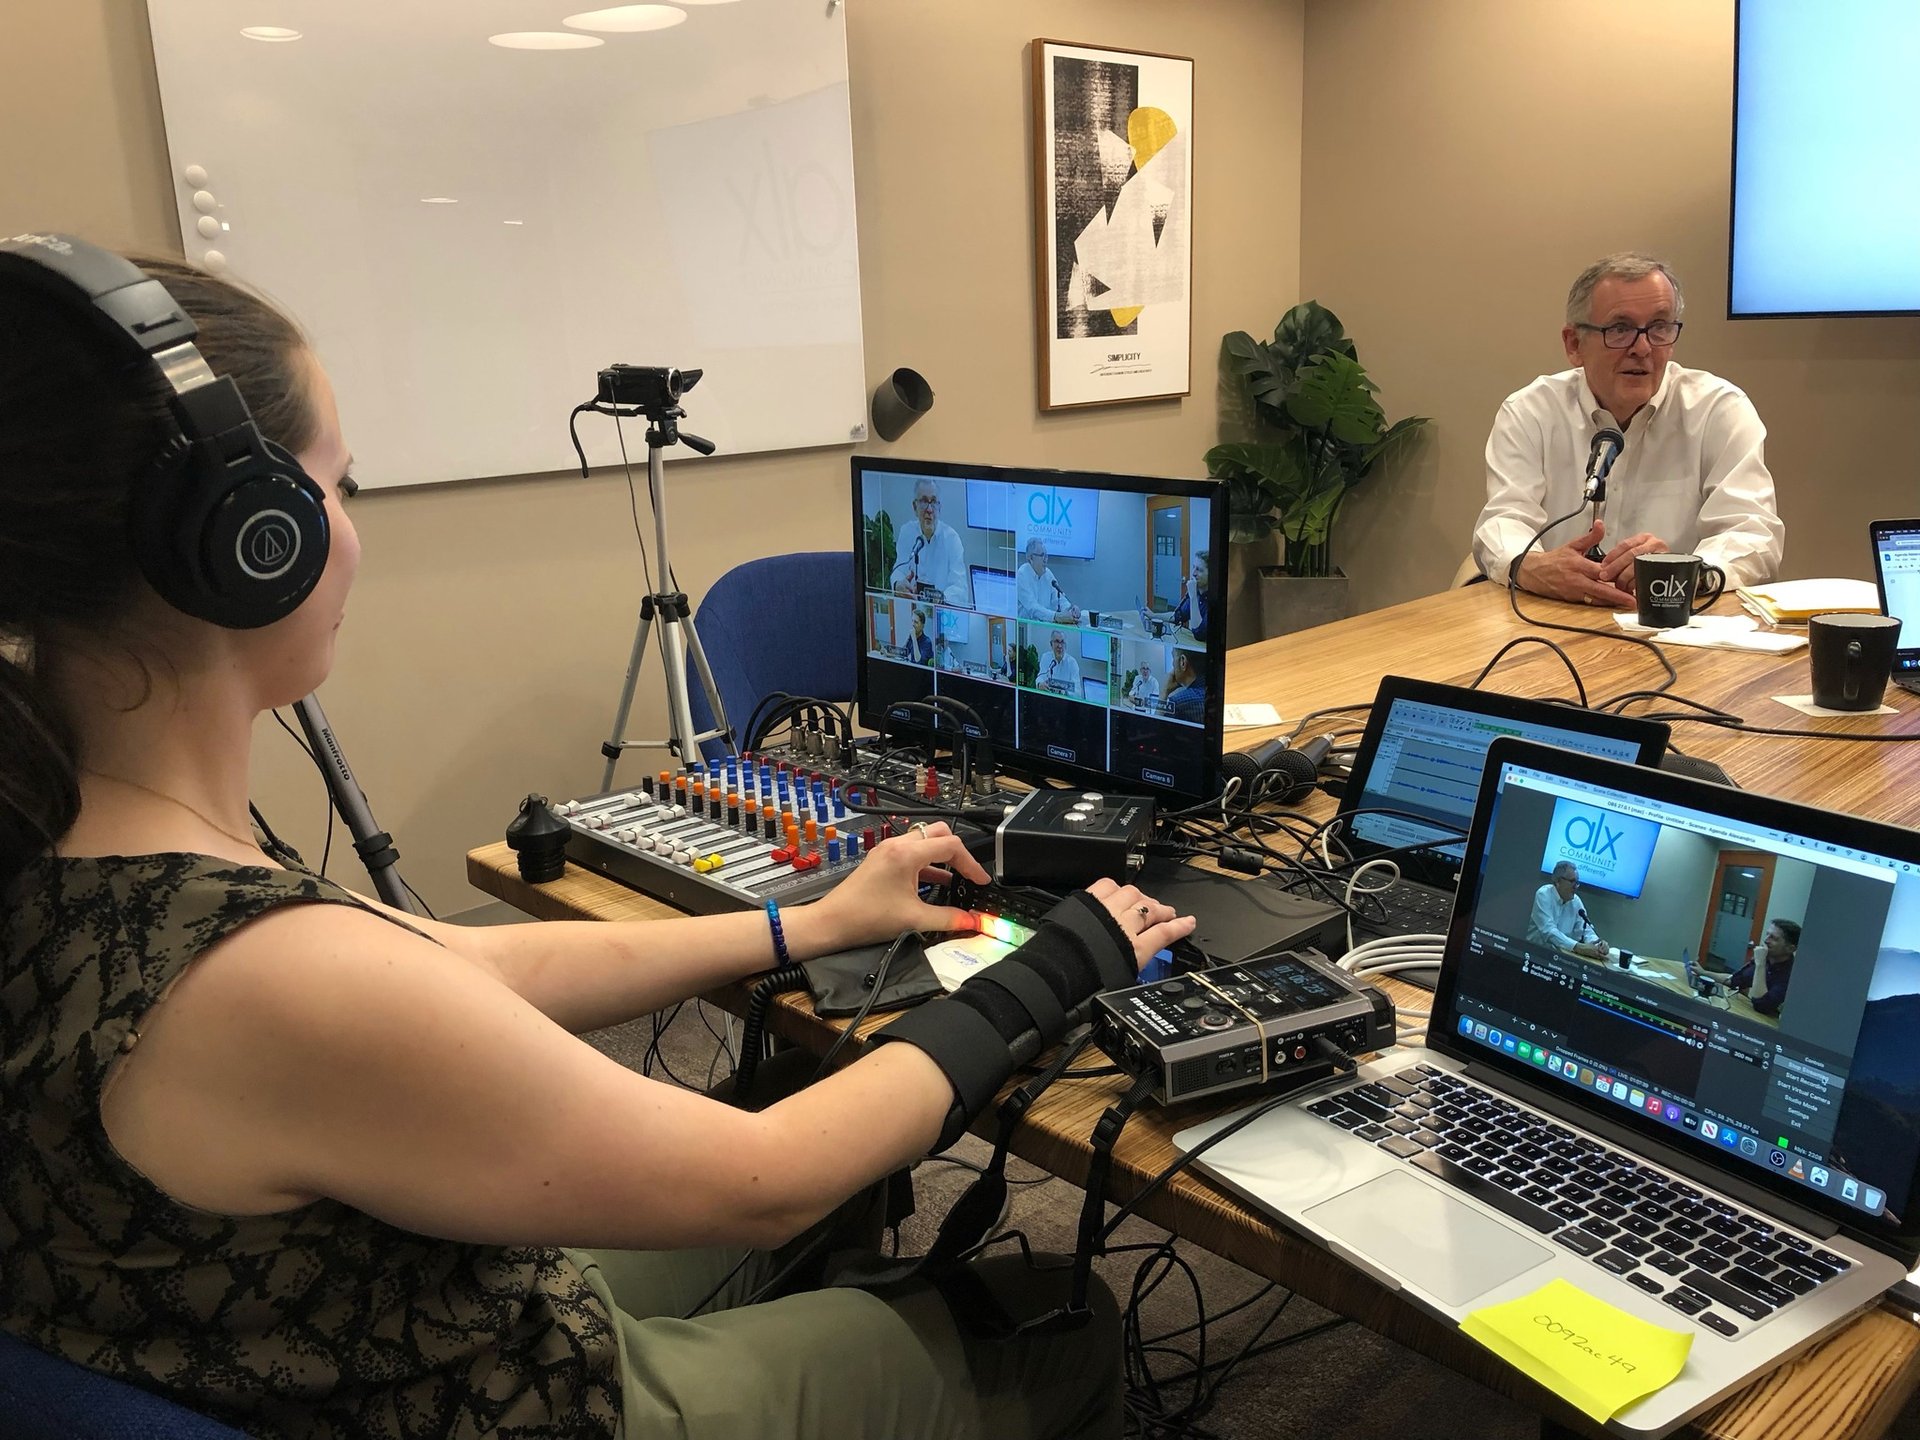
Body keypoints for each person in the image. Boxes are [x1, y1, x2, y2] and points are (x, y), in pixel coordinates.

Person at [0, 240, 1200, 1439]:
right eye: (338, 485)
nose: (351, 528)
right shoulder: (260, 975)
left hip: (370, 1325)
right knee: (1061, 1313)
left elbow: (447, 967)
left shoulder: (72, 852)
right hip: (524, 1399)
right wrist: (1062, 960)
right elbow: (765, 1179)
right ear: (248, 537)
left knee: (796, 1075)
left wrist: (808, 923)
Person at [1472, 253, 1784, 608]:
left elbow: (1753, 533)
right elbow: (1504, 520)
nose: (1642, 348)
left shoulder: (1718, 409)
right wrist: (1532, 566)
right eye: (1619, 330)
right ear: (1574, 345)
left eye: (1659, 327)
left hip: (1676, 626)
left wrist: (1688, 574)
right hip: (1553, 617)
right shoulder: (1531, 412)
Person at [889, 477, 969, 606]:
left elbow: (960, 589)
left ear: (940, 507)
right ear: (915, 507)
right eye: (924, 501)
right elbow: (899, 569)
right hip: (912, 611)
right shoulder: (906, 532)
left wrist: (942, 597)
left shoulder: (952, 539)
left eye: (934, 502)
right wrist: (897, 584)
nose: (929, 510)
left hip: (942, 613)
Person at [1527, 861, 1608, 958]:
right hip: (1535, 953)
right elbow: (1549, 931)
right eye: (1572, 881)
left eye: (1577, 882)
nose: (1575, 887)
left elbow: (1585, 930)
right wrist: (1578, 947)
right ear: (1557, 881)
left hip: (1561, 957)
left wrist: (1597, 945)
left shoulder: (1576, 901)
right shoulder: (1543, 894)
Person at [1727, 918, 1800, 1017]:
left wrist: (1760, 963)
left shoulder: (1792, 975)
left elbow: (1761, 1005)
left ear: (1790, 948)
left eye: (1773, 938)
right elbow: (1736, 980)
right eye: (1767, 934)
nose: (1766, 940)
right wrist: (1702, 972)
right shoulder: (1768, 960)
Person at [1142, 553, 1209, 642]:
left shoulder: (1213, 599)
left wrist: (1193, 597)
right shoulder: (1196, 592)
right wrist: (1153, 616)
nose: (1193, 573)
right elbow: (1178, 616)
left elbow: (1199, 633)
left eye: (1199, 570)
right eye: (1193, 567)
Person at [1017, 538, 1081, 623]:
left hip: (1045, 626)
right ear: (1030, 558)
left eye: (1046, 556)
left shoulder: (1047, 573)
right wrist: (1055, 616)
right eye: (1042, 555)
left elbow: (1058, 599)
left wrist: (1070, 609)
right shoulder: (1022, 574)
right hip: (1027, 628)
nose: (1045, 559)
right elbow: (1032, 607)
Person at [1162, 650, 1206, 723]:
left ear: (1183, 662)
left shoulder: (1178, 702)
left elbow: (1156, 728)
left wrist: (1164, 692)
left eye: (1173, 657)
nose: (1173, 664)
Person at [1039, 629, 1081, 693]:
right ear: (1051, 644)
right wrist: (1039, 684)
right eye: (1057, 641)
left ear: (1065, 645)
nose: (1060, 646)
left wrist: (1063, 691)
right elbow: (1041, 677)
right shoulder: (1046, 657)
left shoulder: (1072, 663)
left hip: (1066, 701)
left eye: (1062, 642)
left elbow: (1077, 690)